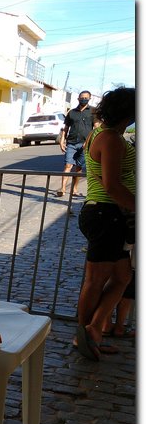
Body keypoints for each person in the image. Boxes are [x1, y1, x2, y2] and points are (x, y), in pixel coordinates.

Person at [73, 87, 136, 361]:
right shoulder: (110, 138)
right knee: (95, 281)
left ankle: (93, 330)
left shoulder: (102, 133)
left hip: (110, 215)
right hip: (106, 214)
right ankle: (83, 338)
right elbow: (111, 184)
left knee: (122, 277)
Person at [56, 90, 94, 198]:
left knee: (78, 168)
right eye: (82, 97)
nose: (84, 99)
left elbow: (95, 128)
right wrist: (62, 141)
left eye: (86, 98)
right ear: (78, 98)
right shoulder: (72, 112)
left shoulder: (92, 112)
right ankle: (62, 188)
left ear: (89, 99)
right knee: (68, 165)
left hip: (84, 144)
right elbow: (65, 128)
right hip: (72, 143)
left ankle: (75, 189)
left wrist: (88, 142)